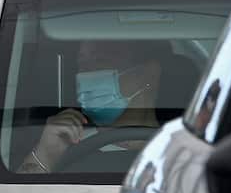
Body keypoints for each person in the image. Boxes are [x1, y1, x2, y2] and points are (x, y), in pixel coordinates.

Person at [20, 40, 166, 174]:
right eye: (82, 65)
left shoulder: (181, 146)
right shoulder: (67, 139)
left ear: (148, 74)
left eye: (100, 61)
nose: (87, 74)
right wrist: (46, 153)